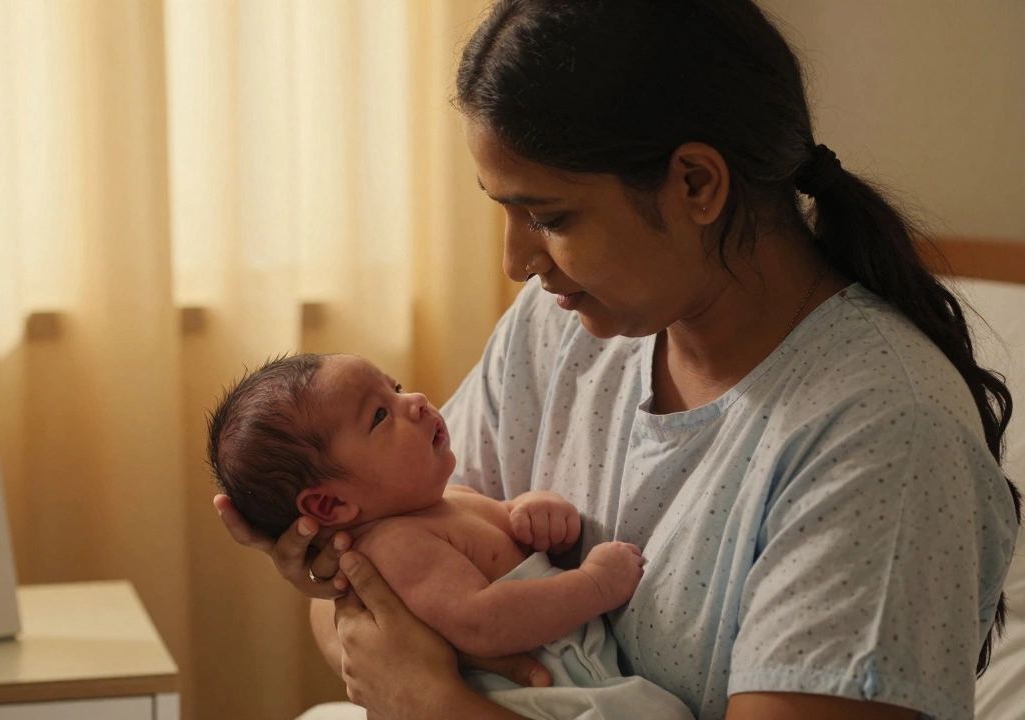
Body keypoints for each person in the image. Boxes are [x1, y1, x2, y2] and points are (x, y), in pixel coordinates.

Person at [214, 1, 1021, 718]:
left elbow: (399, 660)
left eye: (550, 216)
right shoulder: (561, 327)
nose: (516, 262)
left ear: (696, 184)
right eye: (506, 212)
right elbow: (377, 591)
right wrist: (340, 572)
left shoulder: (883, 438)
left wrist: (433, 701)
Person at [208, 352, 695, 720]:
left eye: (395, 388)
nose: (414, 402)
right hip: (539, 694)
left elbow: (503, 533)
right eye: (380, 415)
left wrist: (531, 513)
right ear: (330, 505)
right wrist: (593, 585)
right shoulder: (397, 544)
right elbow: (483, 623)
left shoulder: (440, 502)